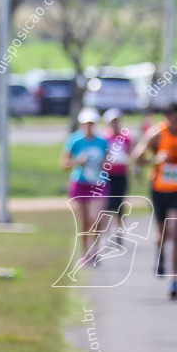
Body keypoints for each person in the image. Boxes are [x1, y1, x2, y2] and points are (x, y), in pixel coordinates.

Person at [132, 102, 177, 300]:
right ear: (167, 117)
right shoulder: (156, 134)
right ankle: (159, 254)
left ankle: (175, 280)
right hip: (159, 190)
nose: (176, 121)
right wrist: (155, 160)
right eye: (172, 117)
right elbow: (137, 157)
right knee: (162, 234)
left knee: (175, 233)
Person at [61, 107, 109, 269]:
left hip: (98, 183)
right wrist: (78, 162)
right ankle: (84, 253)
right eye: (86, 123)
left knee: (96, 218)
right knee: (84, 221)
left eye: (91, 123)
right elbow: (65, 164)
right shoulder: (75, 140)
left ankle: (95, 250)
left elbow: (107, 163)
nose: (89, 126)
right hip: (80, 183)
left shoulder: (102, 141)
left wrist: (104, 165)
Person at [102, 108, 133, 242]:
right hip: (107, 175)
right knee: (107, 204)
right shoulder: (104, 137)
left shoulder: (125, 137)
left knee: (120, 205)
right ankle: (107, 231)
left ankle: (119, 232)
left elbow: (130, 153)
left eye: (117, 121)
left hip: (121, 173)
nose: (115, 124)